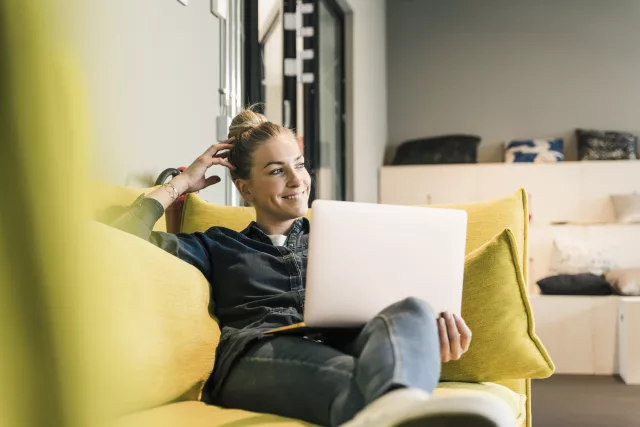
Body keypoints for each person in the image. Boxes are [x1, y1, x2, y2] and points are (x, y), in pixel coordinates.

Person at [110, 109, 514, 427]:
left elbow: (381, 316)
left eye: (299, 165)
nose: (296, 179)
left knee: (413, 309)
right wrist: (181, 183)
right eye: (276, 170)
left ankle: (398, 402)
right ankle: (400, 402)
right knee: (355, 379)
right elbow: (121, 239)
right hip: (256, 354)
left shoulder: (344, 235)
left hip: (345, 344)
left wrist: (428, 340)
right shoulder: (216, 244)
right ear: (246, 188)